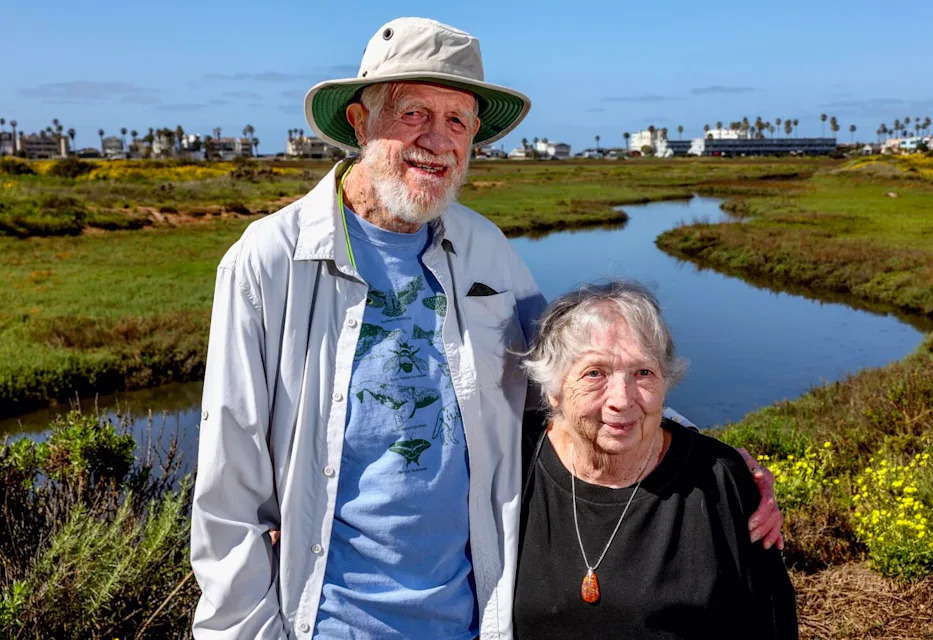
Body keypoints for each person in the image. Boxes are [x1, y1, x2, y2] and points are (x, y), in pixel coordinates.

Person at [190, 17, 783, 639]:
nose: (438, 141)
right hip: (324, 623)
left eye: (457, 122)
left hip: (472, 621)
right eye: (414, 113)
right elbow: (228, 492)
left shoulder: (483, 249)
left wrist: (708, 457)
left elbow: (565, 374)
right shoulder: (269, 260)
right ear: (360, 123)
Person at [514, 281, 798, 639]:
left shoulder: (719, 482)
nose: (622, 399)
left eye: (643, 372)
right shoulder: (513, 463)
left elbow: (770, 625)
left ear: (667, 380)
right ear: (553, 389)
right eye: (594, 373)